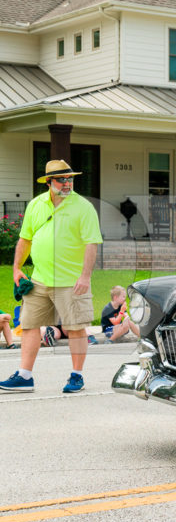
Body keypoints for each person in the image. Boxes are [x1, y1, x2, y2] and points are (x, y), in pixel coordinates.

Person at [0, 159, 103, 394]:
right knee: (29, 325)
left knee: (76, 328)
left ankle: (77, 376)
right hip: (39, 279)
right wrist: (16, 268)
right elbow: (25, 239)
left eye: (70, 179)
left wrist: (85, 277)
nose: (67, 183)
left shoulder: (83, 207)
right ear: (49, 182)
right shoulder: (36, 205)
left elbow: (91, 244)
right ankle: (25, 376)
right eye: (61, 179)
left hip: (71, 280)